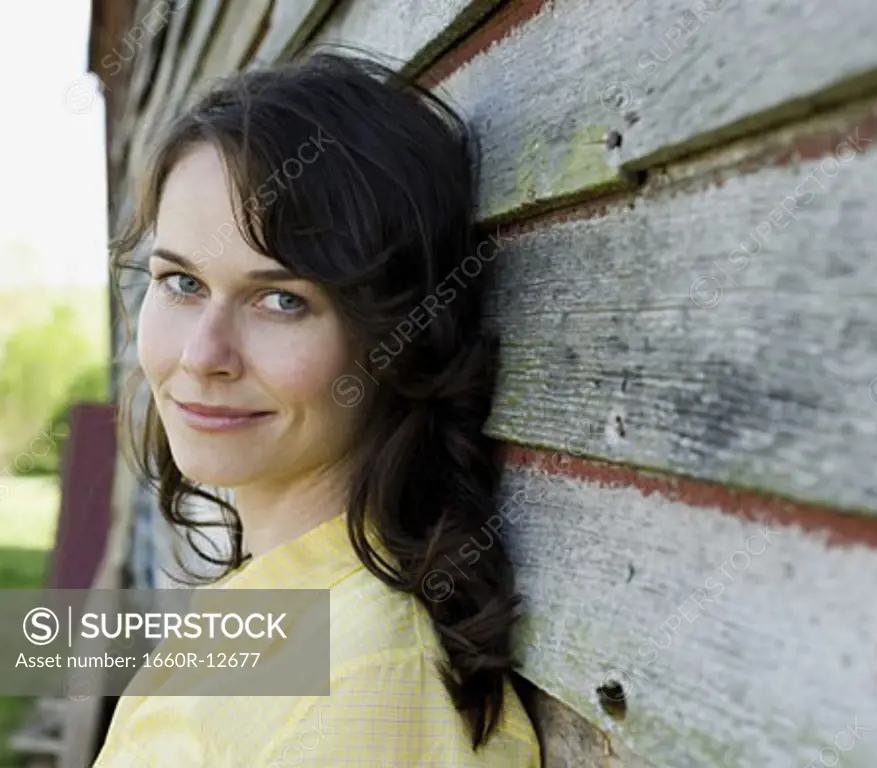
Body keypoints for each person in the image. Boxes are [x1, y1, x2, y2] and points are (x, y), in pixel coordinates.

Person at [93, 48, 541, 766]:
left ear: (395, 339)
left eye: (281, 300)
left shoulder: (358, 681)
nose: (204, 355)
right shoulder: (279, 600)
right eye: (180, 282)